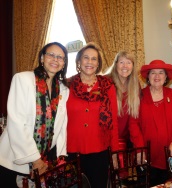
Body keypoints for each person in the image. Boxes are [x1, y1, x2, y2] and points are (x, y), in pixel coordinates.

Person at [0, 42, 69, 187]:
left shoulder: (63, 89)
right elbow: (16, 121)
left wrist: (61, 155)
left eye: (60, 57)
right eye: (51, 55)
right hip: (14, 156)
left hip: (45, 158)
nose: (55, 59)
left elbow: (62, 124)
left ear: (64, 64)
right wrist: (34, 158)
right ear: (42, 58)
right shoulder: (22, 79)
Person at [66, 42, 119, 188]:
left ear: (98, 64)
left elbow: (113, 121)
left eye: (94, 59)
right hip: (72, 151)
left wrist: (114, 153)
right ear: (79, 61)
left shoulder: (108, 86)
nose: (89, 62)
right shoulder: (67, 85)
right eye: (86, 58)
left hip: (100, 152)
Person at [137, 59, 172, 186]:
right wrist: (139, 149)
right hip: (146, 155)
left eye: (161, 72)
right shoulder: (139, 96)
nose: (157, 76)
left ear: (166, 77)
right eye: (153, 73)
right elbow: (133, 124)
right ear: (148, 76)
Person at [107, 51, 144, 150]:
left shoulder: (135, 85)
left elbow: (134, 119)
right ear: (115, 65)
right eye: (121, 62)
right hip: (107, 139)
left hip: (127, 140)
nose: (125, 66)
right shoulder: (106, 83)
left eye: (129, 62)